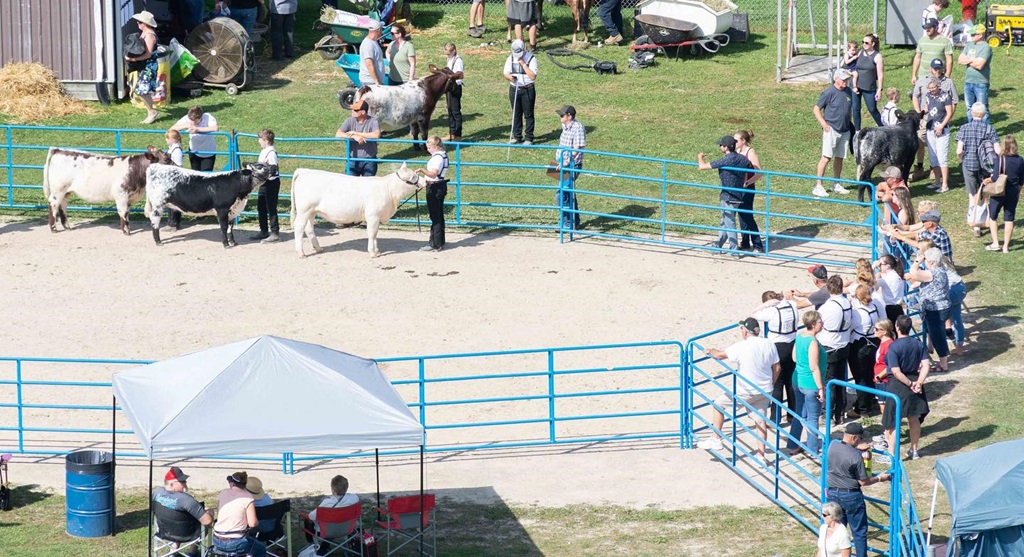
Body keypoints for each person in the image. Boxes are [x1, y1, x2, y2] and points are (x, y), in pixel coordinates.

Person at [698, 318, 780, 467]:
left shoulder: (742, 346)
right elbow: (777, 367)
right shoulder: (769, 343)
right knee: (760, 420)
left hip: (746, 391)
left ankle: (716, 438)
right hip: (764, 389)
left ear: (745, 331)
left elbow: (720, 355)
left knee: (718, 404)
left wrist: (711, 350)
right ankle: (761, 456)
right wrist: (772, 383)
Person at [825, 422, 892, 557]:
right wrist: (880, 478)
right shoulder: (855, 456)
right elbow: (863, 481)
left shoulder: (832, 446)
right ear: (855, 438)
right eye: (860, 438)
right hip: (851, 496)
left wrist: (856, 446)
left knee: (836, 528)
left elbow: (841, 444)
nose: (862, 441)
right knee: (859, 532)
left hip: (832, 494)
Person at [881, 315, 932, 460]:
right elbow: (926, 365)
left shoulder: (894, 347)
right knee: (914, 418)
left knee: (893, 422)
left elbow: (896, 371)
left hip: (898, 387)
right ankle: (914, 450)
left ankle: (892, 455)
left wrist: (910, 384)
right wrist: (919, 382)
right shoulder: (918, 344)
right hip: (915, 383)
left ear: (897, 327)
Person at [697, 136, 752, 253]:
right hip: (739, 194)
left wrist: (699, 157)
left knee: (729, 222)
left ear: (726, 147)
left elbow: (702, 167)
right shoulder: (743, 159)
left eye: (721, 145)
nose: (720, 147)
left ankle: (734, 249)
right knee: (725, 221)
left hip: (727, 196)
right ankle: (718, 246)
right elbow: (749, 169)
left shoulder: (726, 160)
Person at [168, 106, 220, 230]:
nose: (192, 122)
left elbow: (215, 128)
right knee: (196, 180)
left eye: (194, 120)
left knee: (206, 180)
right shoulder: (187, 119)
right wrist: (186, 125)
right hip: (194, 152)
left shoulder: (208, 117)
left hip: (208, 153)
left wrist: (198, 129)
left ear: (200, 118)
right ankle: (199, 208)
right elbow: (172, 128)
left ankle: (208, 207)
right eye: (191, 119)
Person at [752, 290, 798, 423]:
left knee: (777, 383)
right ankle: (792, 414)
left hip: (777, 347)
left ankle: (775, 418)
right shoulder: (792, 305)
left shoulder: (771, 311)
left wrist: (764, 306)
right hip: (792, 345)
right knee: (790, 381)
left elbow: (753, 314)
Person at [911, 59, 959, 180]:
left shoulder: (948, 82)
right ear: (930, 68)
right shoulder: (922, 80)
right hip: (925, 119)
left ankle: (935, 170)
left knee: (938, 147)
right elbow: (915, 96)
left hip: (941, 120)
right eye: (935, 68)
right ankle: (919, 167)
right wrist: (918, 113)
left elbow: (954, 101)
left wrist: (948, 117)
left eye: (939, 68)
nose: (937, 71)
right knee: (919, 143)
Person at [907, 247, 951, 373]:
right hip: (940, 307)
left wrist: (917, 261)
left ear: (930, 261)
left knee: (938, 336)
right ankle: (931, 349)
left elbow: (914, 273)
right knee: (934, 332)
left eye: (925, 259)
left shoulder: (933, 273)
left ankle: (943, 364)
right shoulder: (940, 270)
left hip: (936, 310)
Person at [788, 310, 826, 459]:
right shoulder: (812, 342)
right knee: (813, 417)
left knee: (799, 413)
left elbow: (794, 357)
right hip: (810, 383)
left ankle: (793, 444)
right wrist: (821, 388)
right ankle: (812, 448)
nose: (821, 324)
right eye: (819, 322)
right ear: (813, 324)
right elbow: (814, 367)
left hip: (797, 380)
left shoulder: (799, 337)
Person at [152, 466, 214, 556]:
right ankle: (193, 551)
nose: (185, 483)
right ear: (171, 484)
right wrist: (210, 512)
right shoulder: (186, 500)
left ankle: (174, 549)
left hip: (165, 530)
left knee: (176, 517)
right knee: (206, 516)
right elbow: (207, 521)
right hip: (187, 534)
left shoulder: (157, 492)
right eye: (182, 481)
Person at [817, 274, 853, 426]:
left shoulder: (827, 306)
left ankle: (828, 414)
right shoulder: (847, 302)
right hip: (844, 344)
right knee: (840, 380)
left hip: (829, 346)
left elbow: (818, 324)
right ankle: (840, 412)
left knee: (829, 382)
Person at [812, 69, 853, 198]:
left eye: (847, 79)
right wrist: (824, 124)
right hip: (832, 129)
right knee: (826, 158)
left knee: (840, 157)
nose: (846, 82)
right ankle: (818, 186)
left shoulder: (848, 92)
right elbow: (816, 109)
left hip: (845, 129)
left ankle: (836, 183)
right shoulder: (829, 92)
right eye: (844, 79)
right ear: (837, 79)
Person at [956, 102, 999, 215]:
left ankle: (975, 221)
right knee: (983, 192)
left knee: (972, 193)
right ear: (984, 114)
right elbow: (997, 150)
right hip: (985, 166)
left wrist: (962, 160)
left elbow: (959, 150)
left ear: (971, 112)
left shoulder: (964, 128)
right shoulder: (989, 129)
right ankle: (983, 216)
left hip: (968, 164)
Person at [848, 284, 884, 416]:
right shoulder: (874, 308)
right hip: (873, 342)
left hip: (860, 344)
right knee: (869, 374)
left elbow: (850, 327)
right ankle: (870, 400)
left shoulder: (858, 313)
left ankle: (862, 409)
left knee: (860, 377)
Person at [985, 135, 1024, 253]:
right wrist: (1019, 191)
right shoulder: (1020, 160)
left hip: (999, 192)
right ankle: (1006, 247)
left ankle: (995, 243)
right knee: (1009, 218)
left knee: (993, 216)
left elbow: (997, 177)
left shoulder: (1000, 159)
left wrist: (989, 179)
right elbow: (1022, 179)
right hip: (1013, 191)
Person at [213, 471, 266, 557]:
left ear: (232, 483)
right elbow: (252, 524)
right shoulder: (247, 497)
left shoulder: (223, 493)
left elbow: (220, 513)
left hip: (217, 540)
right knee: (261, 549)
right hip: (236, 542)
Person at [125, 11, 161, 125]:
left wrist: (132, 60)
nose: (137, 23)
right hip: (145, 66)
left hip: (149, 67)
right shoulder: (144, 32)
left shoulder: (149, 35)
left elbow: (148, 54)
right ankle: (151, 111)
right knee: (142, 90)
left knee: (140, 91)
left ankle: (152, 111)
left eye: (139, 22)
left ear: (145, 23)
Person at [555, 105, 585, 231]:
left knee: (561, 194)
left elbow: (578, 147)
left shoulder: (578, 127)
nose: (560, 117)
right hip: (560, 162)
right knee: (568, 193)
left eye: (562, 115)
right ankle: (574, 222)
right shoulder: (565, 125)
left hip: (571, 164)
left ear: (569, 116)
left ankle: (567, 223)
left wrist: (567, 161)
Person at [417, 136, 449, 252]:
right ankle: (439, 241)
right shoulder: (443, 155)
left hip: (434, 187)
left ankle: (435, 244)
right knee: (438, 214)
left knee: (435, 216)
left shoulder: (437, 158)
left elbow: (433, 174)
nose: (428, 150)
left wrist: (421, 170)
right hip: (439, 186)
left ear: (435, 147)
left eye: (429, 147)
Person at [734, 130, 764, 253]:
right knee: (741, 215)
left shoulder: (750, 152)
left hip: (747, 188)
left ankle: (758, 245)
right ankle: (745, 242)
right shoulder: (736, 152)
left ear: (743, 141)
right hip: (738, 187)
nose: (733, 142)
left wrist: (747, 182)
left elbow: (759, 172)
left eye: (736, 140)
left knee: (748, 216)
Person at [923, 78, 954, 193]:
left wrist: (941, 126)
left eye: (934, 88)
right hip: (930, 128)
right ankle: (936, 181)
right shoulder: (928, 95)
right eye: (930, 88)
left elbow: (949, 113)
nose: (932, 90)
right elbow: (927, 108)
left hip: (942, 129)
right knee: (933, 157)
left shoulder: (945, 96)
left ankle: (945, 184)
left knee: (942, 157)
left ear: (938, 86)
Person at [304, 475, 360, 539]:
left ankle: (314, 544)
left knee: (307, 520)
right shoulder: (354, 498)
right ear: (347, 487)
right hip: (347, 529)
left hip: (327, 533)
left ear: (332, 488)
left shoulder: (327, 503)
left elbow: (311, 516)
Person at [504, 40, 537, 145]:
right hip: (514, 89)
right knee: (516, 114)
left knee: (528, 114)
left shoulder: (531, 59)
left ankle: (528, 137)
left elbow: (533, 76)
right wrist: (510, 77)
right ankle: (517, 136)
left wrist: (523, 64)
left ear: (524, 49)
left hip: (527, 89)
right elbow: (505, 73)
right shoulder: (510, 58)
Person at [886, 210, 953, 262]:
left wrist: (902, 237)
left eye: (923, 221)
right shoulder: (929, 231)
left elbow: (919, 245)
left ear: (930, 224)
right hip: (934, 262)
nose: (922, 223)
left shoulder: (938, 234)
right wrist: (897, 232)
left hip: (943, 266)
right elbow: (915, 236)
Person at [336, 99, 381, 177]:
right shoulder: (349, 121)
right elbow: (338, 134)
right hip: (353, 160)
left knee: (368, 185)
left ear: (363, 112)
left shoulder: (373, 121)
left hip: (369, 160)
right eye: (353, 109)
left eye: (356, 110)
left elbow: (376, 135)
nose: (353, 111)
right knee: (350, 185)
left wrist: (356, 133)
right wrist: (354, 136)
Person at [958, 24, 992, 123]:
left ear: (980, 35)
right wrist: (973, 60)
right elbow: (960, 60)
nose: (971, 36)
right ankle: (972, 128)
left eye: (973, 34)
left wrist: (968, 60)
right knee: (969, 108)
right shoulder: (969, 45)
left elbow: (980, 65)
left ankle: (986, 131)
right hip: (968, 82)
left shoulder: (986, 48)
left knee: (982, 109)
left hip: (981, 82)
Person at [252, 129, 281, 243]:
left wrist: (263, 168)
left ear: (266, 140)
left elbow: (273, 170)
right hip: (264, 183)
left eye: (260, 139)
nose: (259, 141)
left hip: (271, 183)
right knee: (261, 207)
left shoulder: (271, 153)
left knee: (271, 208)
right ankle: (263, 231)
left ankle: (275, 233)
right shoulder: (264, 151)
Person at [851, 34, 884, 132]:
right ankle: (857, 130)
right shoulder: (861, 52)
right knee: (856, 108)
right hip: (856, 85)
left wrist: (879, 89)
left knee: (872, 109)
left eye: (866, 42)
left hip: (869, 87)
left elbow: (880, 74)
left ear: (873, 44)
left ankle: (883, 128)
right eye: (863, 42)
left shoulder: (877, 56)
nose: (864, 44)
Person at [912, 19, 953, 87]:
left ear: (936, 27)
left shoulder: (945, 41)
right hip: (923, 76)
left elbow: (949, 59)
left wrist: (947, 75)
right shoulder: (922, 40)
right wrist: (914, 75)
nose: (927, 30)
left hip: (938, 75)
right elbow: (917, 57)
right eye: (925, 28)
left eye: (929, 28)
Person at [871, 319, 896, 429]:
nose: (874, 330)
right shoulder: (884, 343)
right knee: (884, 407)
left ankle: (888, 431)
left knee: (884, 408)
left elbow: (890, 365)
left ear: (884, 331)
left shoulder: (888, 345)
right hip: (881, 379)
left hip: (883, 380)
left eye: (876, 329)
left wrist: (879, 376)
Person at [873, 254, 906, 322]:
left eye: (880, 264)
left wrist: (873, 267)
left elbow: (871, 285)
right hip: (899, 309)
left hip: (889, 310)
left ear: (887, 266)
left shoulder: (887, 279)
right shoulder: (898, 275)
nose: (879, 266)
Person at [444, 43, 464, 142]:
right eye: (446, 53)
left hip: (456, 87)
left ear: (454, 51)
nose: (447, 55)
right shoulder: (449, 59)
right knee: (450, 110)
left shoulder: (458, 60)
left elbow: (460, 74)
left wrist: (451, 76)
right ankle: (451, 133)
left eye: (449, 53)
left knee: (455, 111)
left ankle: (458, 134)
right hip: (449, 87)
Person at [358, 21, 385, 87]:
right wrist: (377, 81)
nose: (382, 31)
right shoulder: (368, 44)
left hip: (373, 82)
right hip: (370, 82)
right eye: (381, 29)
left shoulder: (374, 41)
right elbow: (369, 64)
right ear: (378, 30)